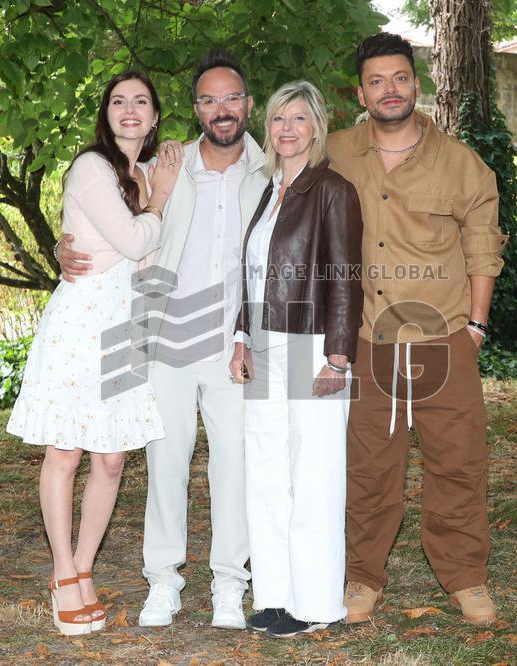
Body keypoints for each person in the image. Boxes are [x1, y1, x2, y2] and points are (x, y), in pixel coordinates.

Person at [55, 51, 269, 630]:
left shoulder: (272, 172)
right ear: (194, 109)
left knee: (234, 465)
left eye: (231, 98)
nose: (221, 109)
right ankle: (164, 583)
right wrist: (62, 245)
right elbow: (109, 219)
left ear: (248, 104)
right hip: (164, 340)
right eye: (208, 99)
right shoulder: (165, 169)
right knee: (165, 464)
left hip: (233, 345)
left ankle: (230, 584)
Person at [326, 33, 508, 626]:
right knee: (369, 466)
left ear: (416, 83)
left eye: (400, 78)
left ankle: (465, 578)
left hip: (443, 338)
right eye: (376, 81)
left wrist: (475, 328)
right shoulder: (335, 153)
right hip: (367, 340)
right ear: (361, 92)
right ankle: (362, 577)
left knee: (457, 462)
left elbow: (484, 250)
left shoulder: (462, 165)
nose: (390, 90)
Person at [6, 71, 181, 636]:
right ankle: (62, 575)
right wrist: (156, 205)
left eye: (141, 102)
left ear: (155, 117)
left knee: (111, 459)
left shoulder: (149, 173)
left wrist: (134, 228)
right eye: (117, 101)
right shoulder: (92, 168)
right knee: (67, 452)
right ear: (106, 115)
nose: (129, 110)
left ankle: (84, 570)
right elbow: (133, 242)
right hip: (80, 324)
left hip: (124, 325)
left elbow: (143, 261)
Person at [229, 81, 363, 638]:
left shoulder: (333, 189)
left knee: (314, 474)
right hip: (263, 344)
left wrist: (338, 356)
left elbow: (345, 277)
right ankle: (277, 598)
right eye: (279, 118)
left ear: (317, 129)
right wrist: (240, 335)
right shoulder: (267, 191)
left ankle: (315, 603)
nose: (287, 128)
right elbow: (252, 271)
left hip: (313, 346)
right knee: (265, 472)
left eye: (299, 118)